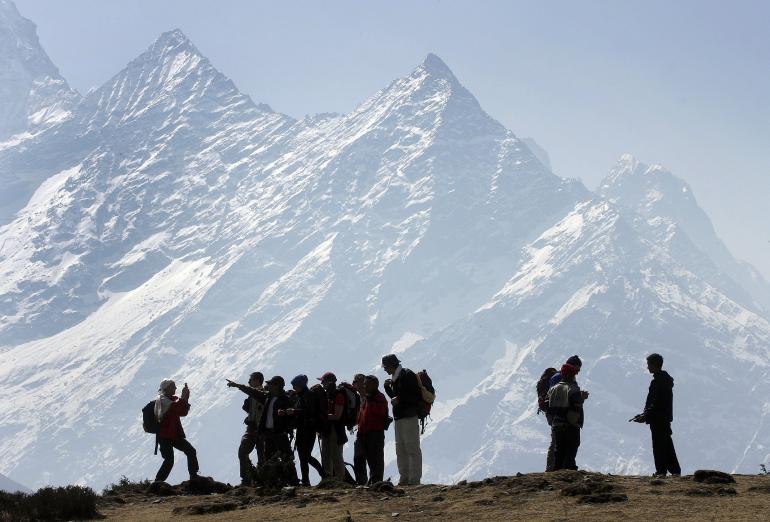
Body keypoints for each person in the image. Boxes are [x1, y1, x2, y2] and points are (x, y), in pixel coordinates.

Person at [631, 353, 681, 477]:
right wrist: (645, 414)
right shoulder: (663, 380)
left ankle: (661, 471)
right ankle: (674, 471)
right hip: (662, 418)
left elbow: (657, 402)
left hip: (658, 419)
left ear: (654, 364)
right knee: (666, 444)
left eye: (648, 364)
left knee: (659, 445)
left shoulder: (659, 382)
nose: (647, 367)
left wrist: (646, 415)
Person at [382, 354, 422, 486]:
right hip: (400, 417)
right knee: (401, 449)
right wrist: (388, 388)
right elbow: (396, 399)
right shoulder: (397, 377)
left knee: (411, 447)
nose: (385, 370)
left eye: (386, 367)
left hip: (409, 416)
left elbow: (414, 397)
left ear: (391, 365)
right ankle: (404, 478)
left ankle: (414, 479)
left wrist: (399, 398)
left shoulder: (407, 375)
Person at [153, 379, 200, 483]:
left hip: (172, 434)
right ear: (167, 388)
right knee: (170, 460)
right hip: (165, 435)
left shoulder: (170, 400)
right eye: (173, 386)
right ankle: (158, 482)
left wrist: (185, 398)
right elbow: (178, 408)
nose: (175, 388)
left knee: (190, 451)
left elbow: (182, 412)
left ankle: (194, 476)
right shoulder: (162, 400)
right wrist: (184, 397)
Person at [227, 372, 267, 485]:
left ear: (258, 380)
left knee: (261, 455)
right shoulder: (251, 395)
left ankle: (259, 479)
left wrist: (237, 385)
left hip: (261, 429)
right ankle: (248, 478)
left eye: (251, 380)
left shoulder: (263, 393)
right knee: (243, 451)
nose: (249, 382)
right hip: (251, 427)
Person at [546, 363, 588, 471]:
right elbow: (576, 406)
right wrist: (581, 398)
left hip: (557, 425)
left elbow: (548, 406)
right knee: (571, 448)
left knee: (559, 450)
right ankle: (569, 471)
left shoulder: (553, 389)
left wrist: (553, 421)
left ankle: (557, 471)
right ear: (571, 375)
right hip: (570, 426)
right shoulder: (573, 389)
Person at [286, 374, 325, 486]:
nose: (294, 388)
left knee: (305, 456)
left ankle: (323, 475)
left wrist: (294, 411)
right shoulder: (301, 396)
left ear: (301, 385)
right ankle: (306, 480)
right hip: (302, 429)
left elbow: (310, 412)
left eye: (295, 385)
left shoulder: (309, 395)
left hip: (309, 429)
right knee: (303, 456)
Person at [356, 375, 389, 484]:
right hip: (362, 433)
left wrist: (370, 401)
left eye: (367, 384)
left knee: (375, 459)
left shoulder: (379, 397)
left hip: (375, 433)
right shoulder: (367, 398)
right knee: (359, 458)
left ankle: (376, 482)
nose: (364, 386)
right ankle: (362, 482)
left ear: (375, 385)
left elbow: (381, 412)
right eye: (364, 384)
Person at [318, 372, 347, 480]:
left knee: (336, 456)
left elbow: (337, 416)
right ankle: (328, 480)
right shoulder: (329, 394)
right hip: (327, 429)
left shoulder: (338, 395)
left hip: (336, 429)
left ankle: (340, 480)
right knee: (326, 456)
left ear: (329, 382)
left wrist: (322, 417)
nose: (322, 383)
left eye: (323, 381)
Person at [351, 373, 368, 485]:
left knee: (368, 457)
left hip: (369, 431)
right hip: (361, 431)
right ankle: (362, 481)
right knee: (359, 457)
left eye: (357, 381)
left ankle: (369, 480)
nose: (355, 384)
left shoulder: (368, 396)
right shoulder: (358, 397)